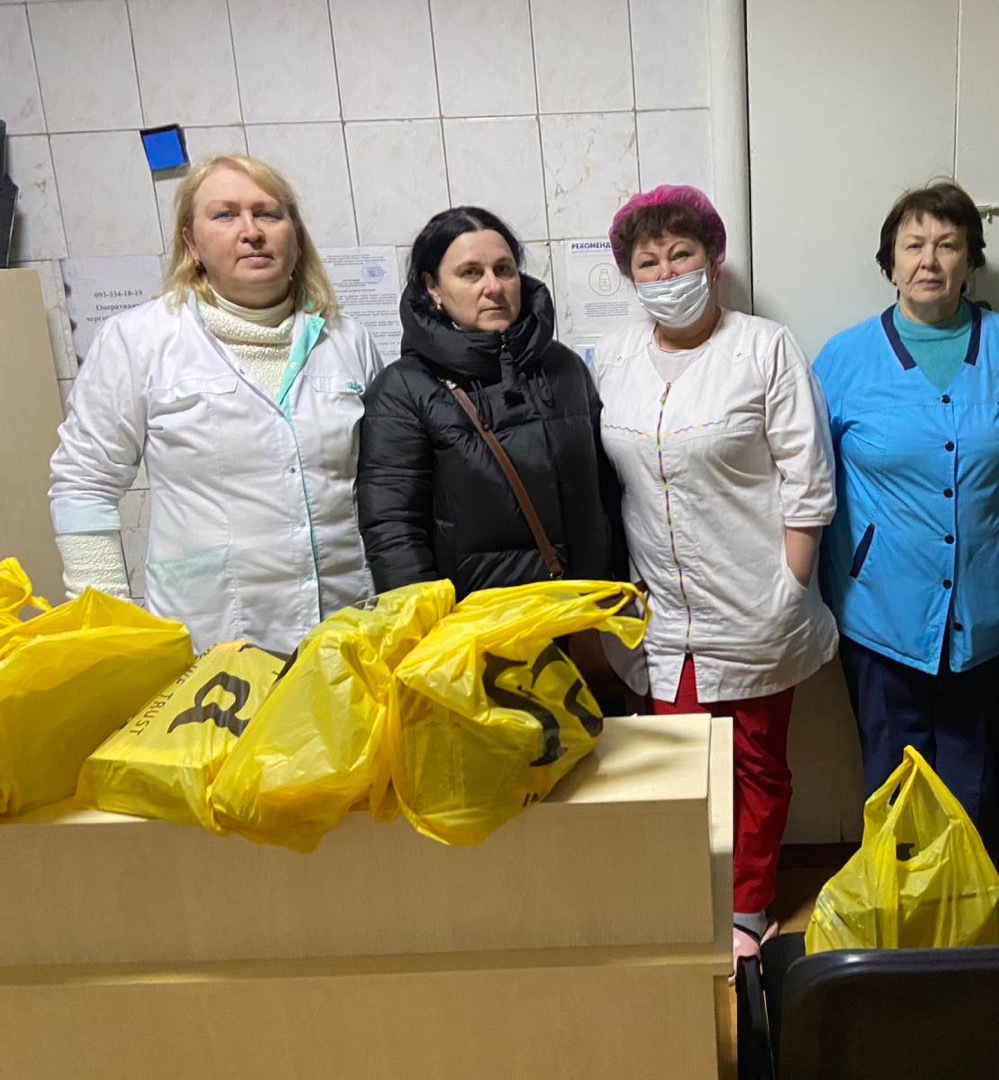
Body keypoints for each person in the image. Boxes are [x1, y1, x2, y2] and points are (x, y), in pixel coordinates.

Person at [590, 185, 837, 972]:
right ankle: (686, 895)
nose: (667, 274)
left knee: (755, 761)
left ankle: (747, 904)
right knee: (678, 762)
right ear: (631, 276)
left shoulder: (765, 347)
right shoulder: (613, 358)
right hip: (660, 605)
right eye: (649, 262)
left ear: (713, 260)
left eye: (682, 254)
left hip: (754, 598)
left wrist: (790, 587)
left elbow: (807, 479)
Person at [813, 180, 999, 862]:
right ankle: (899, 902)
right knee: (892, 777)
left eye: (948, 245)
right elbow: (808, 484)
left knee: (974, 775)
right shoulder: (843, 359)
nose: (929, 259)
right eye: (913, 245)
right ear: (889, 262)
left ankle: (970, 902)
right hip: (879, 611)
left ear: (970, 260)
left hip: (990, 609)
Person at [49, 154, 383, 654]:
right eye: (225, 215)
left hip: (347, 624)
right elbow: (83, 484)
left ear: (296, 236)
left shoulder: (348, 340)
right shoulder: (138, 340)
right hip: (210, 635)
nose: (251, 232)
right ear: (192, 243)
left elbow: (386, 483)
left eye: (268, 214)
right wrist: (108, 628)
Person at [356, 207, 620, 600]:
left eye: (503, 269)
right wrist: (428, 624)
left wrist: (616, 595)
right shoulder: (404, 390)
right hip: (478, 624)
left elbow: (607, 496)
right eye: (470, 273)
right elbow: (394, 532)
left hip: (584, 614)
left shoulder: (563, 367)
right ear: (432, 287)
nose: (493, 287)